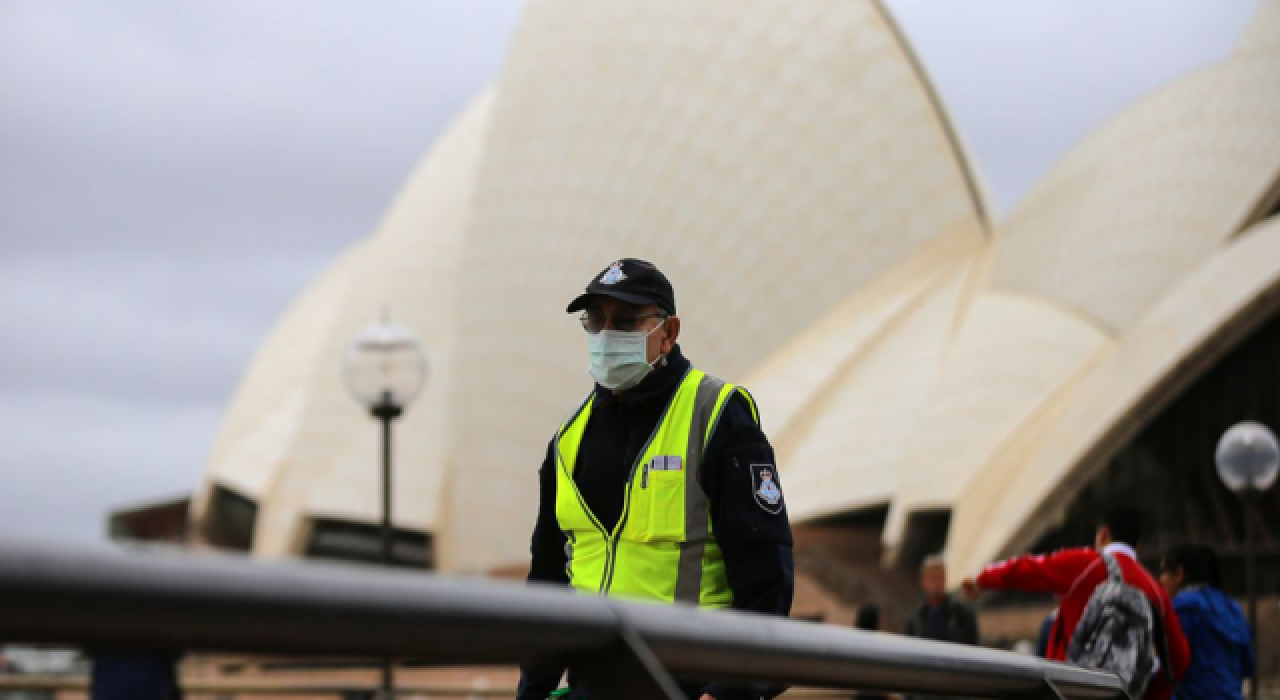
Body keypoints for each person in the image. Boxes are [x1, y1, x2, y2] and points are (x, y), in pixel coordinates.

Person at [517, 259, 795, 700]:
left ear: (668, 333)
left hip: (689, 681)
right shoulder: (567, 440)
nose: (606, 335)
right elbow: (549, 578)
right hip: (594, 685)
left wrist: (731, 692)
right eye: (596, 321)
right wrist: (532, 692)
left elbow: (766, 570)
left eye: (625, 322)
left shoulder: (718, 415)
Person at [961, 506, 1190, 700]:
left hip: (1071, 689)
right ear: (1137, 545)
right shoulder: (1154, 589)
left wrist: (983, 580)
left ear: (1103, 535)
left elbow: (1031, 568)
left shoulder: (1087, 564)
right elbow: (1179, 657)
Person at [1160, 544, 1254, 700]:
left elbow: (1171, 663)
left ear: (1179, 574)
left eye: (1164, 572)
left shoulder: (1182, 606)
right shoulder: (1232, 608)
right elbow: (1248, 665)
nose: (1160, 579)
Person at [905, 555, 979, 647]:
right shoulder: (915, 619)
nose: (938, 584)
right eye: (933, 579)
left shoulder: (962, 615)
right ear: (923, 581)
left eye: (941, 578)